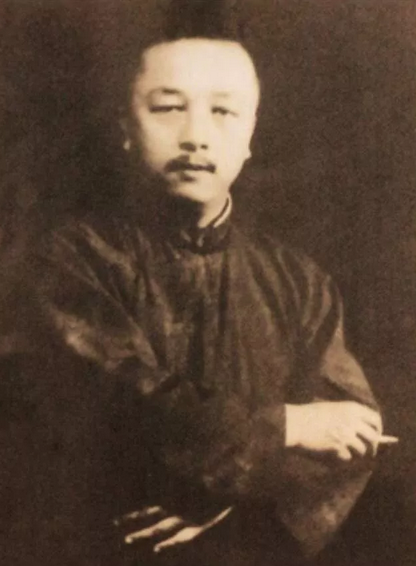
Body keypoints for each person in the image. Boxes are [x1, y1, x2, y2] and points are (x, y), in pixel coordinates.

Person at [32, 24, 388, 566]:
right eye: (168, 108)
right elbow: (118, 403)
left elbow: (354, 431)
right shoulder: (73, 259)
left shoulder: (297, 281)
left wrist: (224, 497)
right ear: (126, 127)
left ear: (249, 137)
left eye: (223, 111)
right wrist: (287, 428)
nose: (196, 136)